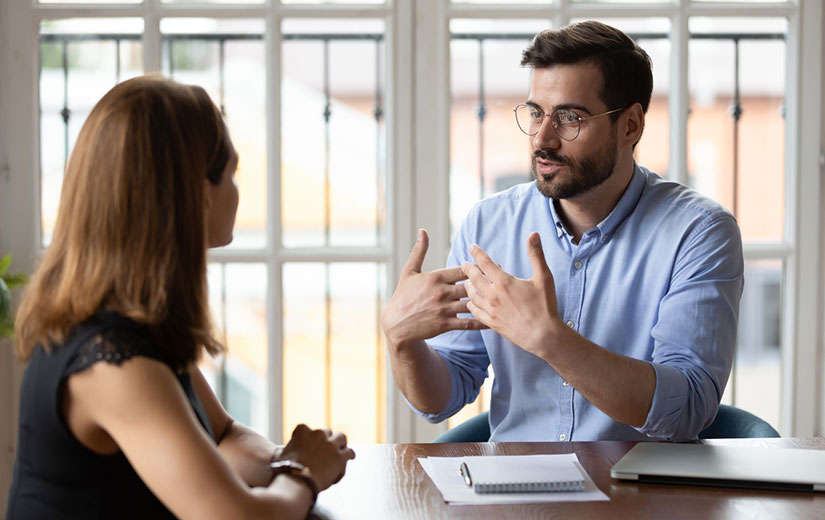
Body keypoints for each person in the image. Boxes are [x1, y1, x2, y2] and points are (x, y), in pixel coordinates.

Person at [6, 75, 354, 519]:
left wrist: (286, 465)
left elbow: (224, 434)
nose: (237, 191)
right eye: (231, 173)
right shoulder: (113, 362)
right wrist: (302, 472)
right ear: (196, 195)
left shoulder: (136, 321)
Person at [381, 21, 744, 442]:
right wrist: (401, 341)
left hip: (640, 495)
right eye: (536, 113)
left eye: (570, 117)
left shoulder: (699, 233)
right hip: (516, 493)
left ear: (630, 126)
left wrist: (549, 339)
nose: (543, 138)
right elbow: (445, 395)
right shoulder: (488, 225)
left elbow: (688, 409)